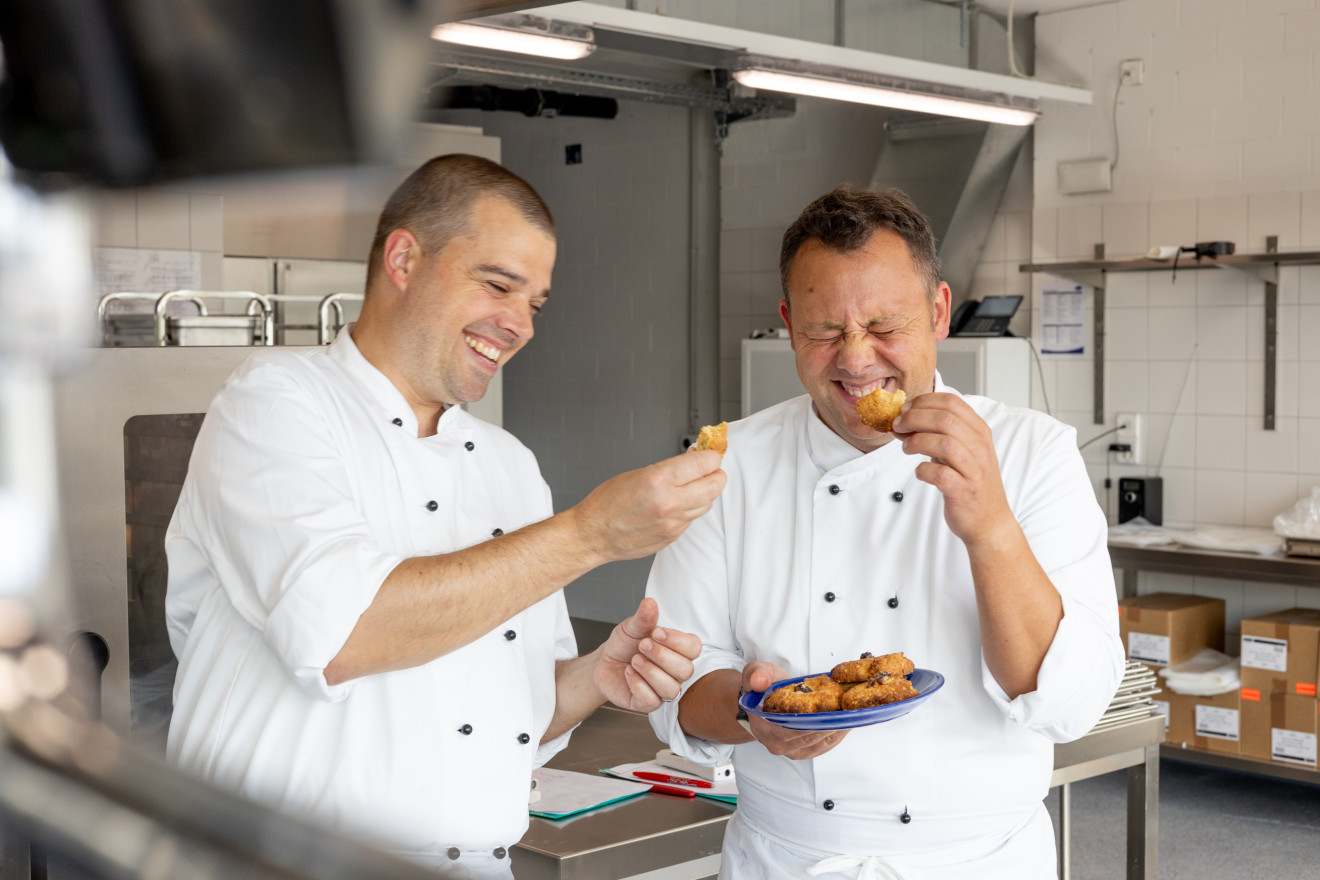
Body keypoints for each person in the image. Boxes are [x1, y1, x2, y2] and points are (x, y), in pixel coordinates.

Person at [164, 154, 726, 877]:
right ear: (404, 257)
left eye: (536, 305)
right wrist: (590, 534)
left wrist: (594, 680)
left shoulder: (508, 464)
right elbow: (342, 633)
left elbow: (510, 713)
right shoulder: (275, 405)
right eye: (499, 285)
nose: (520, 324)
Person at [645, 185, 1123, 879]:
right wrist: (754, 715)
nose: (857, 359)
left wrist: (990, 527)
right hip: (787, 860)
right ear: (787, 324)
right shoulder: (727, 464)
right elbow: (676, 685)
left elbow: (1068, 703)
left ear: (938, 313)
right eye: (824, 330)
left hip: (978, 863)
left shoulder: (1031, 452)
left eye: (884, 326)